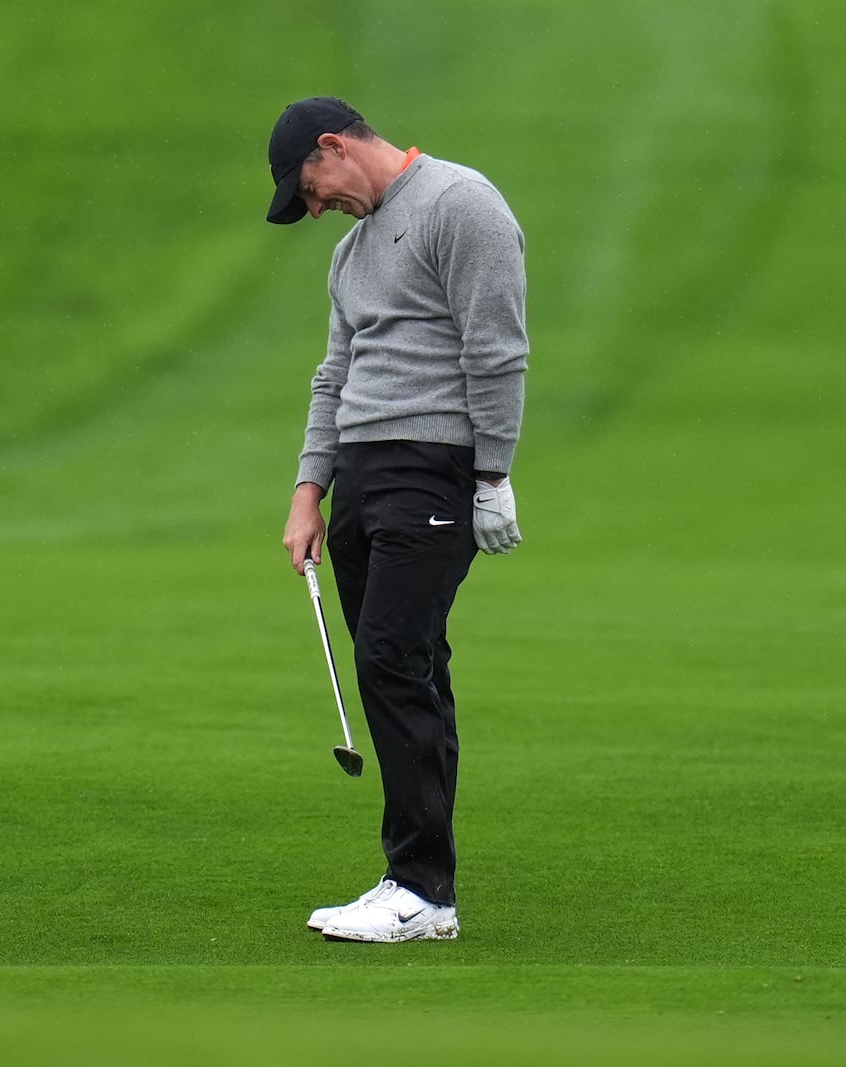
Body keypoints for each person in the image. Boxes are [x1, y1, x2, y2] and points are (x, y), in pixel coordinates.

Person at [270, 97, 528, 943]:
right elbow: (332, 375)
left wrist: (492, 475)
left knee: (389, 658)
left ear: (335, 146)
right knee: (407, 665)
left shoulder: (462, 205)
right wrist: (311, 490)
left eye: (309, 189)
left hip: (433, 469)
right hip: (362, 479)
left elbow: (496, 349)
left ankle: (419, 888)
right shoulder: (349, 254)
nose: (315, 210)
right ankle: (425, 886)